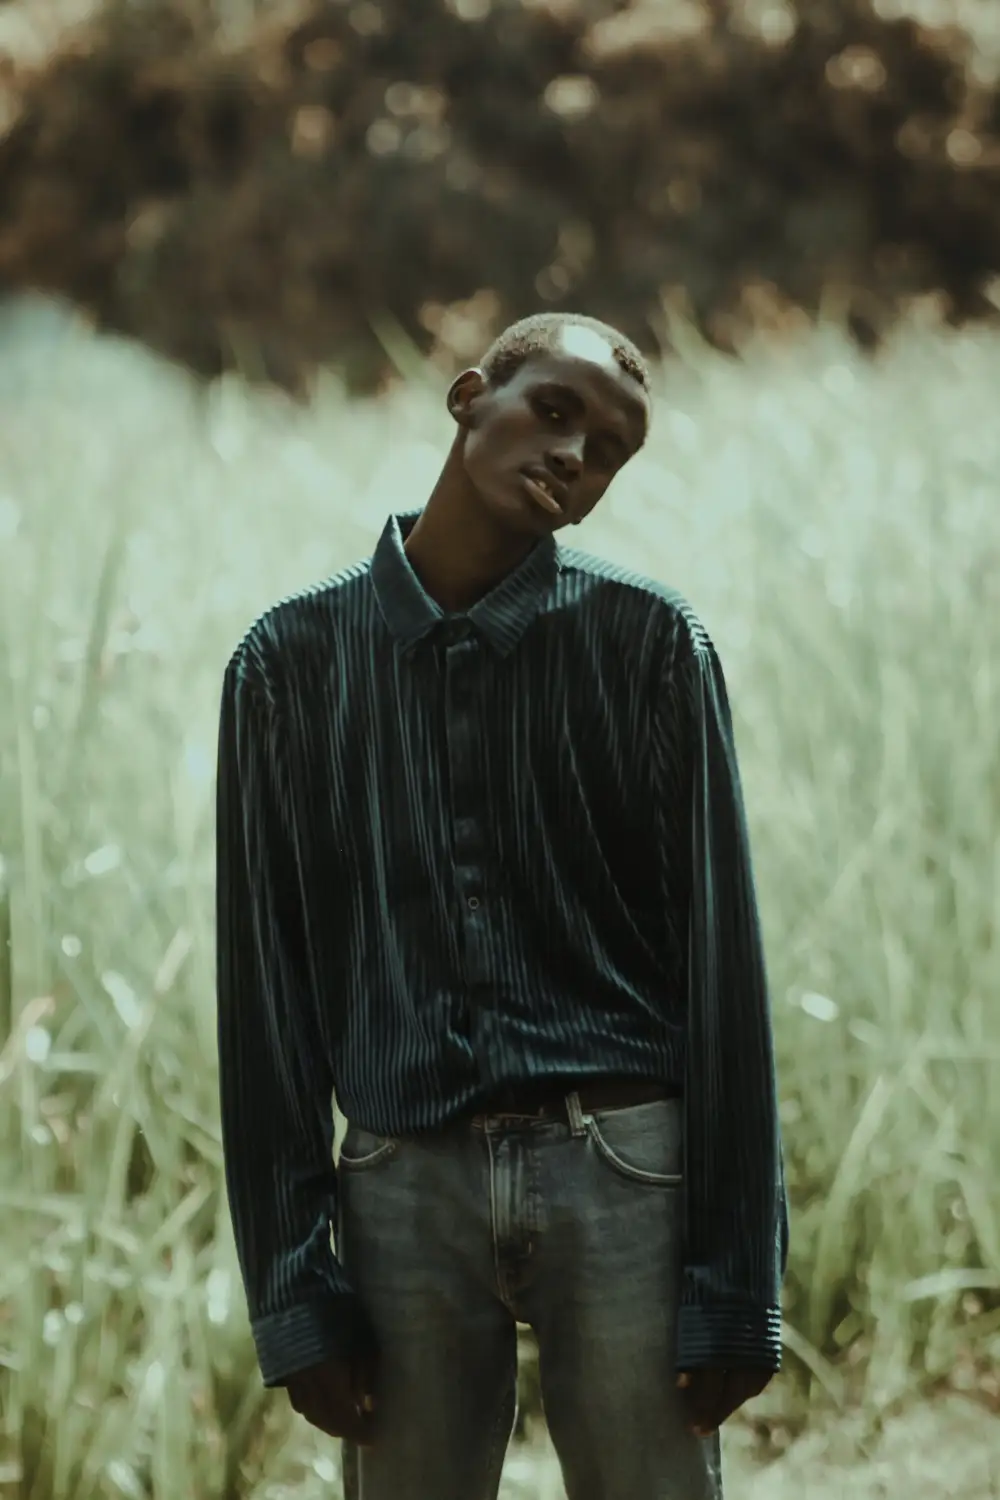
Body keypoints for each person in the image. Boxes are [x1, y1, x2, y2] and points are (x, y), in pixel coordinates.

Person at [215, 311, 789, 1500]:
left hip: (625, 1169)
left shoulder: (650, 646)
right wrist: (294, 1289)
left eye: (611, 451)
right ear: (471, 394)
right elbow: (264, 992)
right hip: (398, 1182)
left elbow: (723, 973)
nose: (577, 454)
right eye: (555, 408)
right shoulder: (288, 665)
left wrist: (738, 1282)